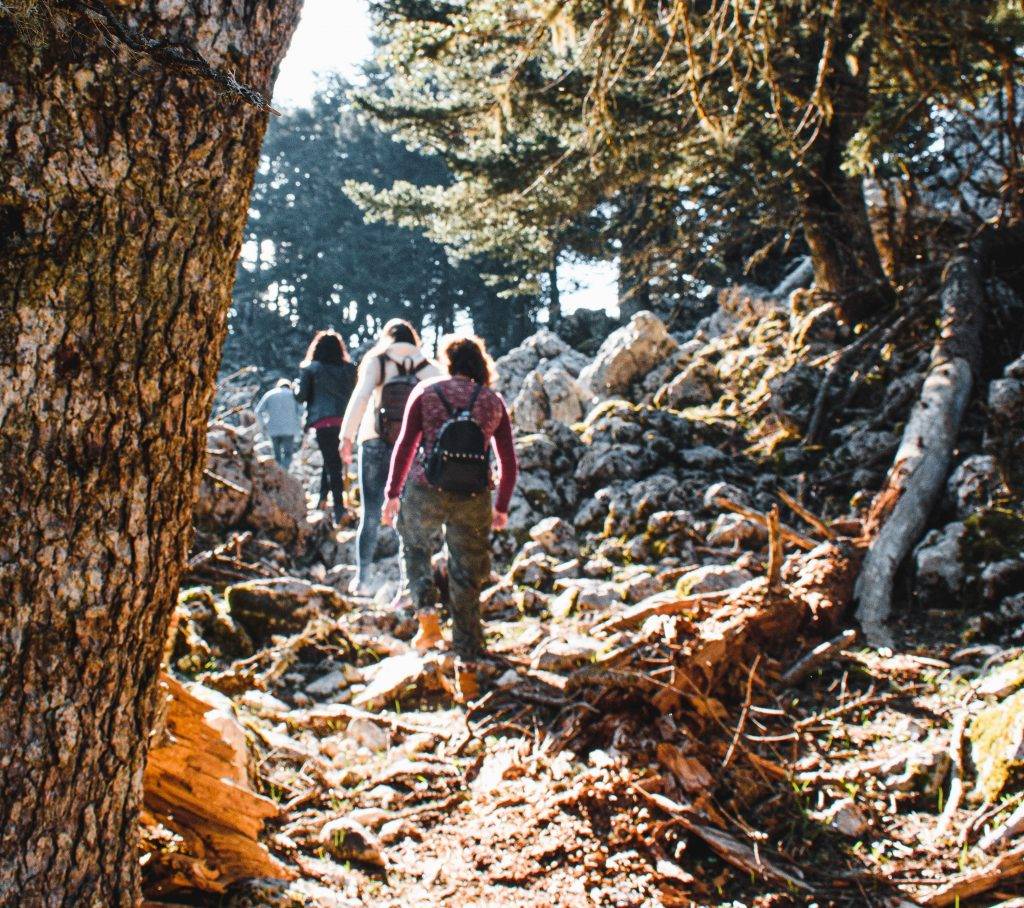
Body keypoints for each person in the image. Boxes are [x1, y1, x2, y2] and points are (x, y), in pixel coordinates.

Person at [382, 334, 518, 695]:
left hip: (426, 488)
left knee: (414, 547)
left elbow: (405, 446)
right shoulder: (493, 402)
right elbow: (509, 463)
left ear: (449, 362)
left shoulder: (427, 392)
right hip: (473, 496)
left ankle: (427, 619)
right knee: (466, 578)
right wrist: (501, 507)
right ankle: (468, 669)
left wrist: (393, 493)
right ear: (481, 365)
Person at [340, 319, 441, 595]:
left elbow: (361, 397)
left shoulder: (377, 360)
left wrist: (346, 437)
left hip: (373, 441)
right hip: (410, 449)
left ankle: (362, 579)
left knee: (370, 514)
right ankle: (405, 585)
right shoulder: (429, 368)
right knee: (407, 517)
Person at [296, 330, 357, 524]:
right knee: (331, 460)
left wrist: (296, 384)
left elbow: (301, 396)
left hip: (323, 420)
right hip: (345, 420)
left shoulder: (311, 368)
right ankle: (322, 499)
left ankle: (339, 509)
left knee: (332, 462)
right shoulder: (350, 369)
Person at [253, 378, 301, 469]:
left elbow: (258, 411)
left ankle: (278, 471)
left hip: (273, 429)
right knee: (287, 454)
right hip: (289, 430)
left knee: (276, 454)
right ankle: (285, 471)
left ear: (278, 385)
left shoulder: (270, 394)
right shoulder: (293, 395)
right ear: (289, 386)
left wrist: (262, 425)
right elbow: (301, 411)